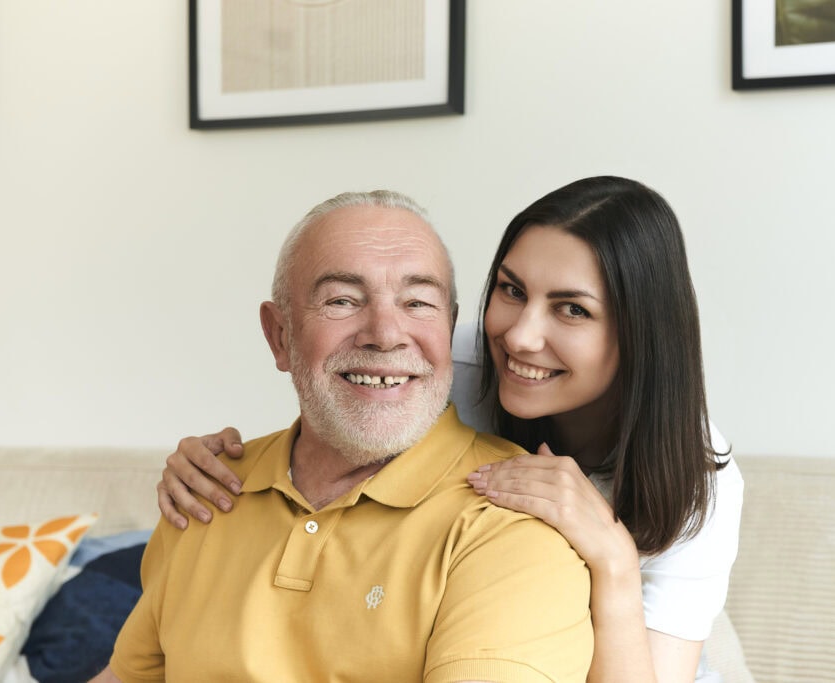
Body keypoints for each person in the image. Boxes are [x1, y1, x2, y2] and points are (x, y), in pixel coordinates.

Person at [158, 176, 744, 683]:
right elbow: (326, 420)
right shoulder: (445, 360)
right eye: (512, 291)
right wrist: (216, 463)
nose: (519, 336)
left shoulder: (698, 474)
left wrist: (614, 562)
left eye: (572, 309)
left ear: (641, 332)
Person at [90, 191, 594, 682]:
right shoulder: (206, 487)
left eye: (417, 302)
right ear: (280, 336)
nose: (386, 332)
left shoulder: (511, 522)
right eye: (343, 300)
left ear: (450, 328)